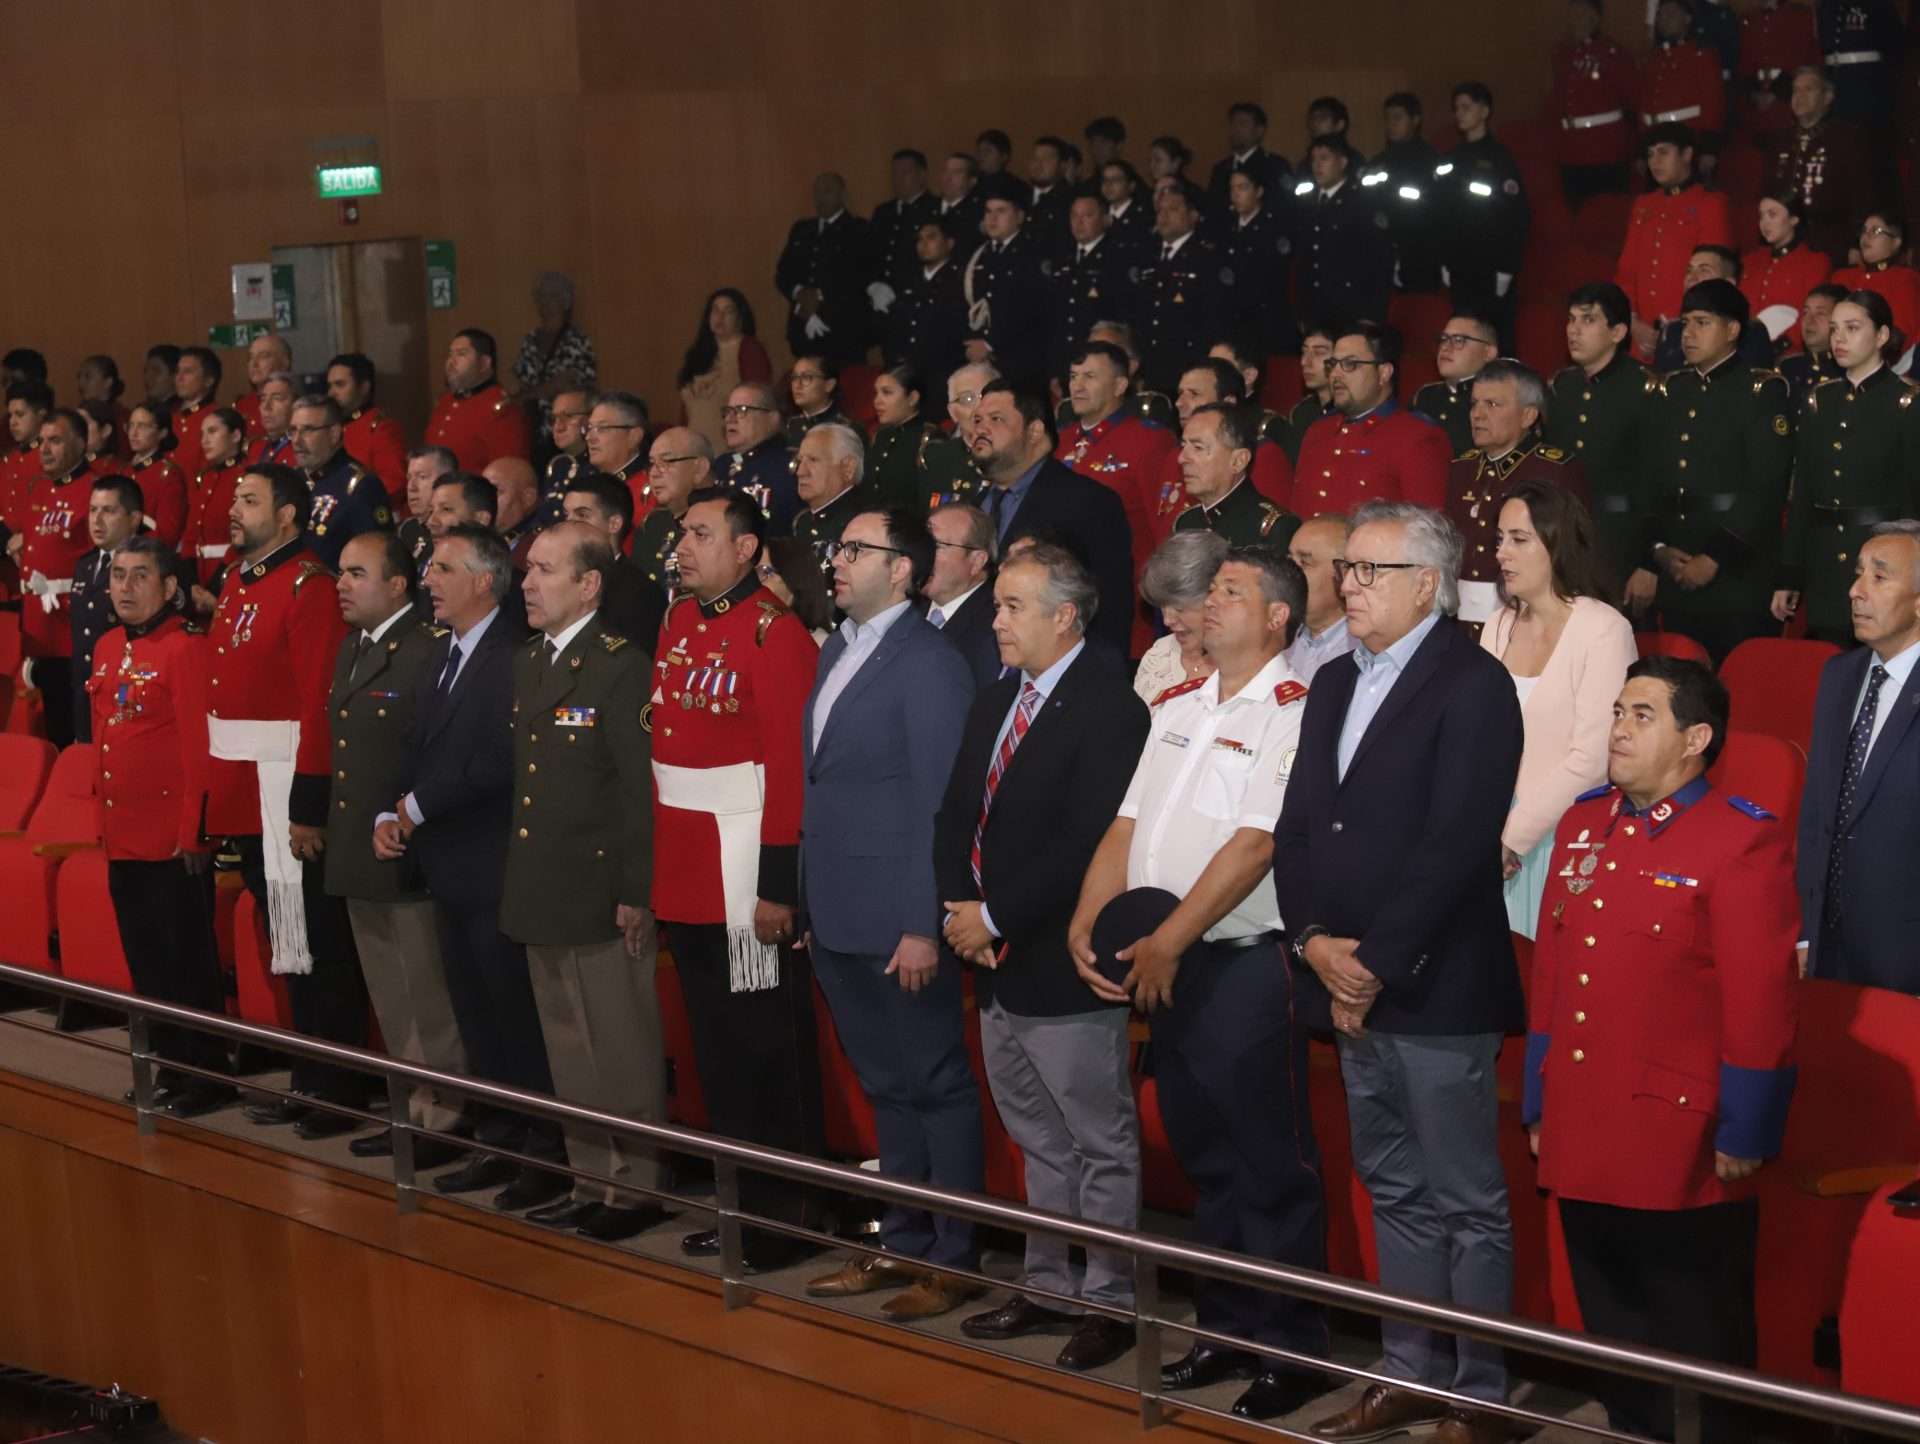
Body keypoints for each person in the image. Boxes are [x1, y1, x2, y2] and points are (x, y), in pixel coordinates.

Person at [1276, 502, 1524, 1444]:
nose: (1350, 584)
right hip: (1344, 977)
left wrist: (1372, 963)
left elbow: (1458, 841)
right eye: (1348, 569)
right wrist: (1312, 942)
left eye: (1371, 571)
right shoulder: (1335, 680)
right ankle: (1410, 1371)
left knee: (1464, 1198)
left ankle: (1482, 1396)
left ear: (1430, 584)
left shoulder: (1473, 684)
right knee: (1392, 1187)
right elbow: (1299, 825)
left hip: (1432, 983)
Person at [1069, 546, 1326, 1423]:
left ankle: (1293, 1352)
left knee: (1268, 1163)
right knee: (1204, 1156)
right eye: (1208, 591)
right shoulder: (1177, 703)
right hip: (1160, 959)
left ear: (1281, 616)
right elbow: (1127, 823)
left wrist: (1169, 941)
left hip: (1240, 963)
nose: (1208, 605)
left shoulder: (1295, 710)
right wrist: (1087, 918)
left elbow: (1256, 845)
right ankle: (1224, 1328)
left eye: (1231, 592)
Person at [1526, 656, 1798, 1441]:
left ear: (1696, 739)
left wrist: (1746, 1128)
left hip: (1679, 1136)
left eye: (1642, 715)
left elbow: (1761, 1000)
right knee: (1613, 1330)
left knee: (1696, 1339)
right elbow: (1554, 969)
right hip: (1583, 1119)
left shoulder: (1738, 839)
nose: (1618, 727)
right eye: (1617, 710)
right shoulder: (1582, 824)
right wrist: (1542, 1100)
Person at [938, 544, 1147, 1373]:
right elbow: (958, 812)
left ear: (1065, 616)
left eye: (1012, 606)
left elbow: (1085, 845)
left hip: (1063, 960)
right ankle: (1047, 1285)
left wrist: (993, 914)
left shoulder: (1111, 707)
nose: (995, 620)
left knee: (1097, 1139)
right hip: (990, 957)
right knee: (1037, 1136)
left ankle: (1111, 1302)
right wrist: (960, 910)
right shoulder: (996, 699)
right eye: (996, 606)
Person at [801, 507, 982, 1322]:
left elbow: (940, 807)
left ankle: (957, 1257)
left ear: (903, 569)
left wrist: (921, 922)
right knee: (885, 1085)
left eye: (855, 550)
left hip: (899, 917)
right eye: (837, 550)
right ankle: (901, 1240)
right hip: (837, 908)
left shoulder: (929, 662)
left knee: (934, 1084)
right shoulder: (840, 645)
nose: (836, 562)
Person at [653, 488, 827, 1268]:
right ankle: (736, 1209)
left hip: (745, 869)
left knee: (766, 1053)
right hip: (687, 866)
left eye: (699, 534)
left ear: (749, 549)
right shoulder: (680, 622)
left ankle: (785, 1218)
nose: (682, 547)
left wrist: (778, 885)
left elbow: (790, 772)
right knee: (715, 1053)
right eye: (681, 534)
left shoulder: (774, 631)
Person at [384, 524, 569, 1212]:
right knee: (476, 1015)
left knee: (513, 1017)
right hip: (448, 867)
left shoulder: (510, 656)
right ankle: (496, 1139)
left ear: (483, 582)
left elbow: (497, 759)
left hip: (493, 866)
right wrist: (389, 811)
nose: (427, 578)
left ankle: (540, 1153)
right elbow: (417, 743)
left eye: (441, 568)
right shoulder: (445, 652)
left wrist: (417, 806)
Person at [501, 523, 668, 1239]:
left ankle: (636, 1188)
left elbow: (638, 791)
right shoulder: (531, 660)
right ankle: (590, 1176)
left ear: (589, 584)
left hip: (602, 888)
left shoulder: (620, 666)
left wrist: (637, 890)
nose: (528, 584)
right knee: (569, 1044)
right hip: (544, 883)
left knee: (620, 1044)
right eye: (527, 570)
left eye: (544, 570)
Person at [210, 465, 370, 1136]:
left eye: (249, 501)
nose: (233, 510)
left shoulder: (308, 586)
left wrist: (308, 805)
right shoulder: (238, 581)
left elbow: (317, 703)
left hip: (286, 795)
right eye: (234, 498)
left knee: (313, 947)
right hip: (248, 794)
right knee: (286, 944)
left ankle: (336, 1087)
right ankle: (311, 1076)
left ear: (288, 518)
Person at [325, 531, 469, 1162]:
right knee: (390, 991)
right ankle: (411, 1105)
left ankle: (445, 1114)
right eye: (340, 573)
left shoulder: (427, 650)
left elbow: (437, 755)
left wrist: (409, 820)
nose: (342, 584)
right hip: (361, 847)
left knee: (426, 994)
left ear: (398, 585)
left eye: (357, 573)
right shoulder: (353, 648)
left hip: (411, 847)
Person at [86, 535, 234, 1119]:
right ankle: (168, 1068)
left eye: (138, 576)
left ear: (170, 588)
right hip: (123, 833)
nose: (124, 587)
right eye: (118, 575)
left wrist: (197, 832)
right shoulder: (105, 647)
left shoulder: (185, 650)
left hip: (172, 839)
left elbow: (202, 750)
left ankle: (207, 1077)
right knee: (146, 962)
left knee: (186, 964)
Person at [1480, 481, 1636, 939]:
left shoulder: (1603, 629)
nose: (1502, 554)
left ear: (1557, 543)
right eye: (1499, 540)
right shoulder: (1498, 623)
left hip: (1561, 836)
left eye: (1518, 540)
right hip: (1488, 829)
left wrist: (1513, 838)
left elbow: (1592, 759)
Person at [1639, 279, 1794, 663]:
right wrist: (1657, 549)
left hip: (1735, 577)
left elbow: (1766, 488)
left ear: (1733, 330)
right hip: (1676, 570)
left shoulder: (1760, 392)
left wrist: (1714, 558)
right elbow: (1652, 477)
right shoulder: (1672, 390)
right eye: (1685, 322)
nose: (1688, 334)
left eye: (1702, 323)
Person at [1798, 520, 1920, 991]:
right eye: (1857, 573)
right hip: (1828, 948)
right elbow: (1817, 816)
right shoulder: (1838, 676)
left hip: (1906, 958)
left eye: (1879, 576)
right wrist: (1807, 932)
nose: (1855, 590)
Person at [1774, 290, 1920, 644]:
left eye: (1852, 328)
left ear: (1882, 336)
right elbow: (1804, 492)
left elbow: (1913, 500)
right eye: (1835, 329)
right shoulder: (1819, 400)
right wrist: (1789, 575)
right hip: (1823, 561)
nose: (1839, 339)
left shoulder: (1906, 402)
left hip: (1881, 564)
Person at [968, 382, 1134, 655]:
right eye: (977, 420)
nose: (980, 429)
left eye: (996, 419)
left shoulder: (1089, 501)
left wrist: (1099, 682)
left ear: (1034, 430)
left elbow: (1110, 608)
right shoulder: (973, 506)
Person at [1446, 360, 1588, 623]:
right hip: (1461, 622)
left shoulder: (1553, 471)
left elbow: (1571, 557)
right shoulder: (1461, 468)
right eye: (1474, 404)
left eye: (1492, 404)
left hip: (1526, 619)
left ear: (1528, 416)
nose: (1477, 414)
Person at [1054, 342, 1176, 626]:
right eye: (1073, 376)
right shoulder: (1059, 440)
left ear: (1120, 385)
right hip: (1062, 598)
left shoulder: (1148, 441)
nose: (1078, 386)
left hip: (1124, 600)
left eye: (1090, 376)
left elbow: (1161, 527)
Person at [1546, 283, 1647, 585]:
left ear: (1617, 332)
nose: (1573, 330)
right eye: (1571, 319)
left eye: (1587, 320)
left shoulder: (1645, 389)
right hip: (1565, 539)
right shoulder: (1562, 386)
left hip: (1620, 544)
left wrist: (1647, 561)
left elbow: (1654, 483)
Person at [1294, 321, 1450, 514]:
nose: (1336, 374)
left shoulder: (1417, 437)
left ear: (1384, 373)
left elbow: (1426, 532)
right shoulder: (1318, 431)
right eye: (1333, 364)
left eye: (1350, 364)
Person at [13, 407, 97, 746]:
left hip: (70, 623)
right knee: (46, 718)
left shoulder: (93, 490)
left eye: (55, 441)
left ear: (80, 443)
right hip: (38, 624)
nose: (44, 449)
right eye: (41, 441)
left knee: (71, 720)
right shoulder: (39, 489)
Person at [1616, 123, 1734, 362]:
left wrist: (1676, 328)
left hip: (1687, 335)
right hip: (1640, 336)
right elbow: (1626, 273)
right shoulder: (1644, 205)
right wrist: (1633, 322)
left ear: (1687, 154)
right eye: (1650, 154)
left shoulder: (1709, 203)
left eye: (1663, 152)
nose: (1655, 161)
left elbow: (1711, 278)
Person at [1434, 82, 1527, 335]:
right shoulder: (1450, 160)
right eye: (1456, 108)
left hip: (1489, 266)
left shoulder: (1499, 159)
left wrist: (1506, 269)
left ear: (1485, 111)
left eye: (1466, 107)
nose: (1460, 113)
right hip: (1459, 265)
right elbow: (1442, 214)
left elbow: (1513, 218)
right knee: (1463, 337)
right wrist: (1445, 261)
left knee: (1492, 337)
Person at [1764, 66, 1871, 265]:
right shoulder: (1781, 141)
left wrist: (1857, 242)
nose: (1800, 96)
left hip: (1832, 245)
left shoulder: (1845, 138)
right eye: (1796, 90)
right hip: (1787, 243)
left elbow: (1861, 195)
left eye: (1808, 89)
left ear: (1827, 97)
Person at [69, 475, 147, 744]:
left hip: (126, 697)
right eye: (92, 510)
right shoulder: (85, 565)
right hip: (86, 699)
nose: (96, 520)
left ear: (134, 518)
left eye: (108, 511)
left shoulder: (152, 567)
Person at [1290, 137, 1393, 333]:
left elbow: (1380, 259)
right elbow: (1305, 261)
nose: (1317, 165)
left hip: (1350, 308)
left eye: (1324, 158)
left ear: (1343, 162)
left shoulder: (1362, 201)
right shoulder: (1308, 202)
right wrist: (1302, 310)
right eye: (1313, 159)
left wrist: (1372, 313)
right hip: (1316, 307)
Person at [557, 471, 668, 650]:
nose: (569, 524)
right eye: (566, 515)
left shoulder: (640, 594)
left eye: (582, 515)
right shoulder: (559, 580)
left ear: (614, 524)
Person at [1137, 182, 1228, 395]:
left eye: (1173, 210)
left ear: (1193, 215)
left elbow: (1213, 317)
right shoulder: (1147, 255)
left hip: (1188, 365)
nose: (1164, 216)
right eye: (1160, 211)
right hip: (1151, 366)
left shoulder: (1206, 258)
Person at [961, 176, 1050, 391]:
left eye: (1001, 211)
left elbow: (1030, 308)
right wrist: (974, 342)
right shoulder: (980, 254)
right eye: (988, 211)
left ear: (1019, 216)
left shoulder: (1031, 253)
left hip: (1020, 360)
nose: (992, 218)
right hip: (981, 361)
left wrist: (990, 343)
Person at [1174, 403, 1298, 553]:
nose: (1181, 458)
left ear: (1238, 461)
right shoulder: (1186, 522)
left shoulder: (1272, 529)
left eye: (1198, 448)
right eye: (1183, 446)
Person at [776, 173, 872, 365]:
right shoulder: (802, 229)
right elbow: (783, 274)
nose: (820, 197)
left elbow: (859, 276)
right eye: (817, 192)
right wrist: (800, 293)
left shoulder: (859, 229)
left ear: (842, 195)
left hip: (844, 332)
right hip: (803, 330)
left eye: (827, 191)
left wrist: (819, 296)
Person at [290, 395, 393, 570]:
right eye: (293, 430)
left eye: (307, 430)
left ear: (334, 433)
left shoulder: (361, 486)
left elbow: (376, 560)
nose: (296, 440)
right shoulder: (291, 480)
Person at [1553, 0, 1637, 207]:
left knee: (1608, 213)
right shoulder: (1563, 55)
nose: (1577, 20)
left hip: (1606, 150)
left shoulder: (1613, 54)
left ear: (1596, 18)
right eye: (1574, 15)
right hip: (1571, 151)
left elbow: (1632, 101)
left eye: (1583, 14)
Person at [1045, 194, 1135, 385]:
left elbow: (1122, 312)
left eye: (1087, 216)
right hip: (1064, 360)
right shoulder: (1062, 256)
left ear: (1105, 219)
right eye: (1074, 216)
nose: (1079, 222)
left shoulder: (1116, 257)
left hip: (1098, 362)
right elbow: (1055, 316)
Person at [1132, 529, 1226, 703]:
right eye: (1162, 606)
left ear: (1216, 596)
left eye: (1179, 608)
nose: (1168, 620)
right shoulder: (1159, 655)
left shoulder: (1247, 665)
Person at [507, 271, 598, 446]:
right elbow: (520, 385)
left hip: (568, 430)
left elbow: (571, 384)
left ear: (565, 302)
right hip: (534, 429)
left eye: (551, 296)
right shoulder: (530, 340)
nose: (544, 302)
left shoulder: (576, 340)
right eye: (541, 296)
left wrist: (532, 393)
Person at [677, 288, 772, 453]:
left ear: (740, 318)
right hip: (694, 452)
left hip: (731, 452)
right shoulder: (698, 354)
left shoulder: (749, 350)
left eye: (728, 311)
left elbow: (757, 405)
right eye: (715, 310)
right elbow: (686, 412)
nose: (720, 317)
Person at [428, 328, 533, 474]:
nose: (451, 362)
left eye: (461, 354)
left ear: (484, 363)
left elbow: (508, 474)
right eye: (450, 354)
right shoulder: (445, 402)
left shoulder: (503, 410)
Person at [889, 218, 968, 411]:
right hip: (910, 372)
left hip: (943, 372)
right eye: (919, 239)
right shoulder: (909, 280)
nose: (923, 244)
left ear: (949, 243)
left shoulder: (961, 280)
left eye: (931, 237)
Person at [1741, 193, 1833, 353]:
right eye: (1761, 216)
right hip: (1745, 347)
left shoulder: (1814, 261)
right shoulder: (1751, 261)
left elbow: (1811, 312)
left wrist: (1782, 346)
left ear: (1793, 219)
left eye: (1772, 214)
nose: (1764, 223)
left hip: (1788, 352)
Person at [924, 501, 1001, 689]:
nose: (923, 555)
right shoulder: (905, 605)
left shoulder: (996, 628)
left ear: (976, 561)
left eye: (937, 546)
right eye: (922, 545)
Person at [627, 425, 711, 591]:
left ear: (700, 469)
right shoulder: (652, 524)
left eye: (667, 461)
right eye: (652, 463)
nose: (654, 473)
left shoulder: (722, 523)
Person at [1413, 308, 1501, 458]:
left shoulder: (1500, 401)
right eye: (1444, 339)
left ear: (1488, 353)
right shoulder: (1425, 396)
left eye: (1459, 340)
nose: (1446, 347)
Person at [1284, 512, 1358, 682]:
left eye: (1304, 563)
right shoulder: (1275, 637)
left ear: (1344, 573)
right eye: (1289, 560)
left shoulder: (1364, 650)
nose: (1289, 572)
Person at [326, 353, 410, 502]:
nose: (331, 393)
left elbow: (395, 483)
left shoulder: (381, 429)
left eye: (340, 385)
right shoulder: (331, 427)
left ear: (364, 388)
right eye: (330, 385)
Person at [715, 382, 796, 531]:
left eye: (742, 410)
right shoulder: (721, 465)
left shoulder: (789, 465)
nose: (729, 419)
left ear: (773, 419)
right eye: (727, 411)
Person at [1832, 209, 1920, 346]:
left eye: (1875, 231)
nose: (1866, 237)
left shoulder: (1904, 278)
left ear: (1896, 242)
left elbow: (1899, 335)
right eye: (1864, 230)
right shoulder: (1842, 277)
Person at [790, 421, 879, 557]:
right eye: (799, 461)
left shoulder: (864, 526)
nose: (800, 471)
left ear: (848, 468)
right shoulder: (803, 523)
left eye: (813, 460)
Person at [184, 407, 247, 587]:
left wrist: (215, 586)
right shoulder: (205, 478)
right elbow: (191, 534)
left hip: (229, 574)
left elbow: (244, 536)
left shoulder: (245, 477)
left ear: (235, 436)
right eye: (202, 433)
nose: (204, 440)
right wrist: (191, 582)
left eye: (212, 431)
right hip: (198, 574)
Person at [864, 361, 935, 513]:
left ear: (912, 398)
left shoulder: (928, 438)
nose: (877, 401)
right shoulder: (881, 435)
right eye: (876, 393)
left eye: (887, 392)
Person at [583, 389, 652, 525]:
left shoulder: (651, 489)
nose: (589, 438)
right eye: (590, 428)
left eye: (602, 429)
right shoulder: (587, 482)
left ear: (633, 436)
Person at [871, 147, 940, 280]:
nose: (898, 178)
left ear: (922, 175)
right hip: (882, 292)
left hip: (918, 288)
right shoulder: (883, 212)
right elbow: (872, 253)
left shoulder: (935, 209)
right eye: (895, 173)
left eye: (905, 173)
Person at [125, 404, 187, 551]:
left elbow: (167, 534)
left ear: (162, 433)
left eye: (143, 426)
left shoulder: (168, 475)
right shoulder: (124, 471)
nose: (134, 433)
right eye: (131, 425)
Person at [1781, 281, 1849, 405]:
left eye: (1820, 313)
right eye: (1805, 312)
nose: (1809, 320)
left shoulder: (1849, 373)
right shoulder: (1787, 368)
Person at [758, 536, 835, 640]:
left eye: (762, 572)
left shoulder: (818, 647)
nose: (753, 582)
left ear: (792, 579)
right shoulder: (758, 635)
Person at [1208, 100, 1287, 202]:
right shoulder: (1221, 169)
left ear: (1259, 130)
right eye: (1232, 124)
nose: (1235, 129)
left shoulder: (1274, 167)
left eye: (1242, 124)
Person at [537, 388, 592, 530]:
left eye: (568, 416)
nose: (558, 426)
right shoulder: (558, 465)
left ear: (591, 418)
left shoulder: (598, 464)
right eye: (553, 419)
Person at [169, 347, 221, 479]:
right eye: (177, 372)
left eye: (188, 372)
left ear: (208, 380)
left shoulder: (217, 418)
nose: (179, 378)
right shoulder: (170, 418)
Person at [232, 333, 291, 436]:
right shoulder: (242, 406)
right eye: (250, 357)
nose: (254, 364)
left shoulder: (295, 403)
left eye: (263, 356)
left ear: (284, 362)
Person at [784, 354, 848, 444]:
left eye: (806, 377)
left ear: (829, 385)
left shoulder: (844, 429)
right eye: (794, 378)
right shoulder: (790, 425)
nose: (797, 385)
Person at [246, 371, 296, 469]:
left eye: (277, 398)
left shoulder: (300, 449)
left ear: (296, 405)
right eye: (263, 399)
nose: (266, 406)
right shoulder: (255, 448)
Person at [143, 343, 181, 418]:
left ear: (174, 375)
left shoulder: (180, 412)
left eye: (156, 371)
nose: (148, 377)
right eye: (145, 371)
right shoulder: (144, 409)